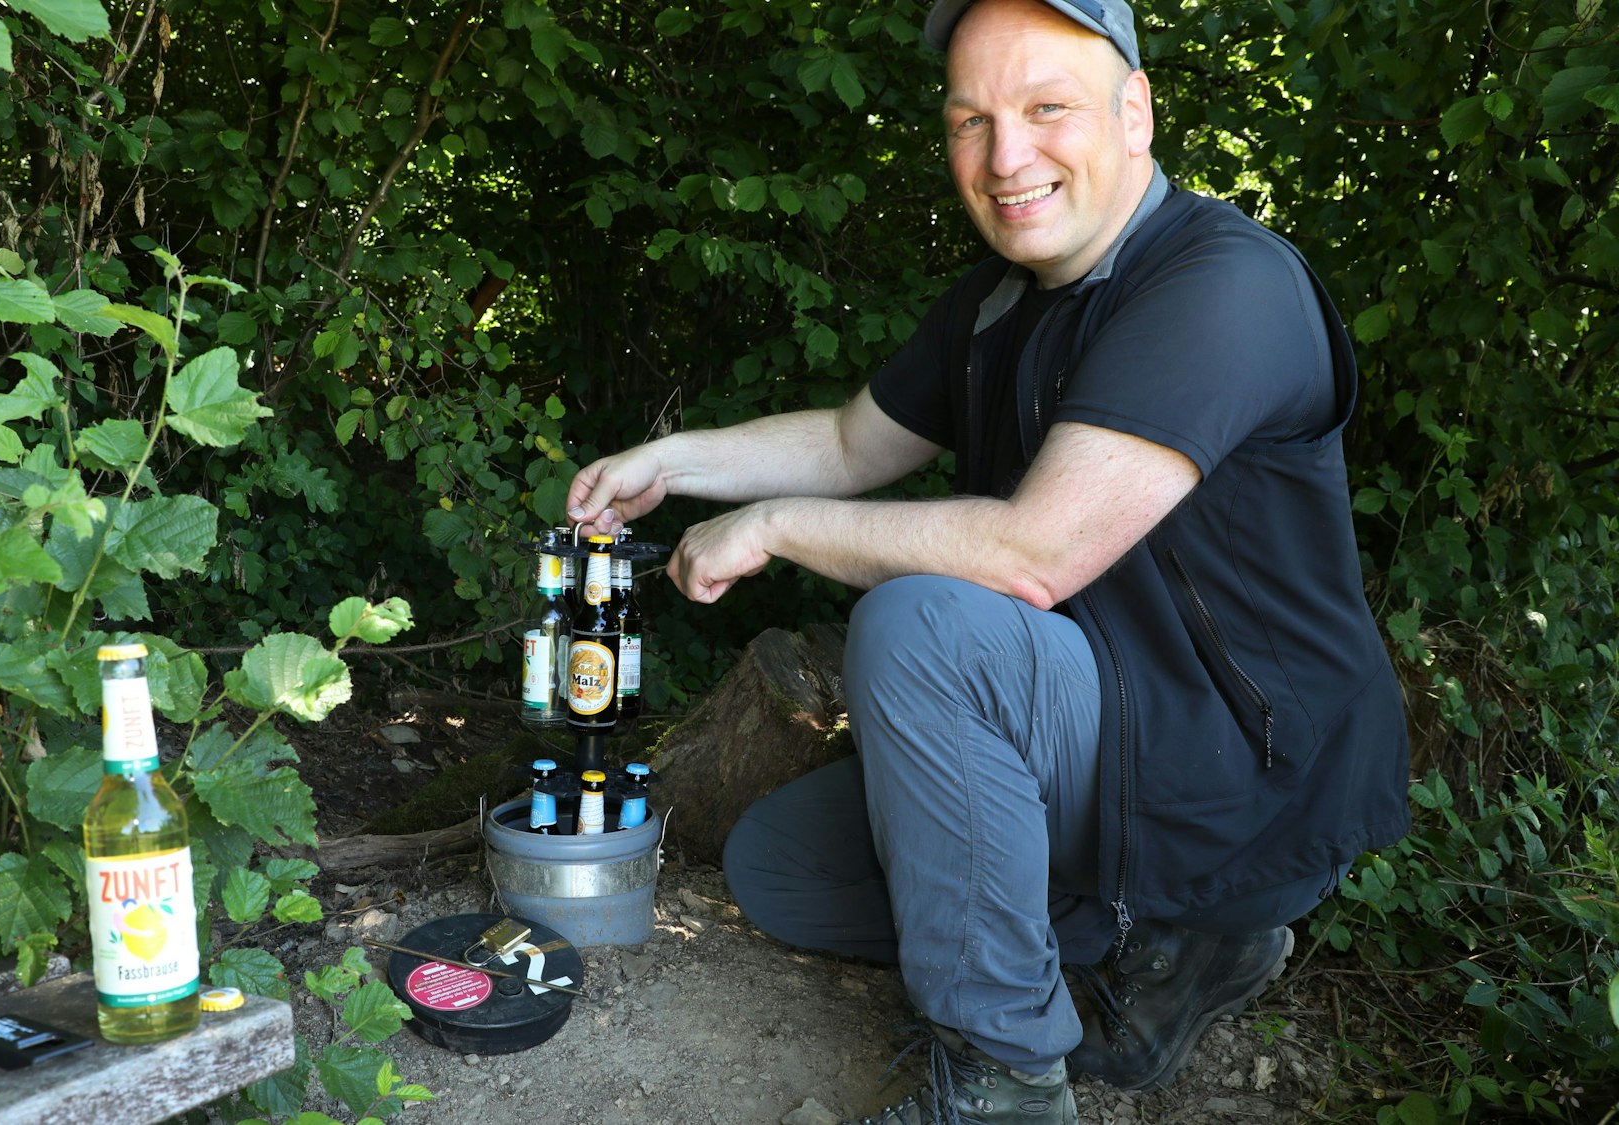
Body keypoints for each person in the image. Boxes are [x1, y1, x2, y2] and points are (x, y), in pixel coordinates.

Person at [563, 0, 1411, 1121]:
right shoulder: (1001, 301)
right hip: (1092, 741)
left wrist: (769, 527)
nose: (1004, 157)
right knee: (781, 868)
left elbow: (1030, 554)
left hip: (1234, 765)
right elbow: (847, 443)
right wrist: (668, 462)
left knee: (924, 625)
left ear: (1134, 112)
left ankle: (1005, 1076)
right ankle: (1149, 949)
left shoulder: (1224, 285)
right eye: (970, 120)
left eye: (1044, 108)